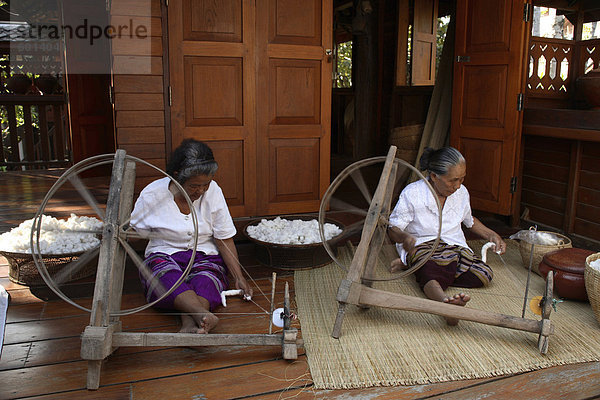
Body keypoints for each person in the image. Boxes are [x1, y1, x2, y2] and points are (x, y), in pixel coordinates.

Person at [130, 139, 252, 334]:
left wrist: (239, 277)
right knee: (165, 276)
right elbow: (133, 233)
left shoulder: (213, 192)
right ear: (177, 176)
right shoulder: (152, 194)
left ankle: (190, 324)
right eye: (195, 186)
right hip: (164, 253)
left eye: (206, 184)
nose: (202, 190)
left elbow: (223, 238)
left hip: (204, 253)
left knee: (207, 279)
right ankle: (200, 314)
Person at [387, 146, 506, 325]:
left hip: (454, 245)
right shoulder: (413, 193)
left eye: (462, 179)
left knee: (483, 274)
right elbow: (393, 228)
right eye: (453, 180)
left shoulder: (461, 193)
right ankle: (445, 305)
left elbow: (469, 220)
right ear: (434, 176)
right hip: (423, 244)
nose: (458, 185)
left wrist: (492, 234)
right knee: (431, 269)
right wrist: (405, 238)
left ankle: (422, 269)